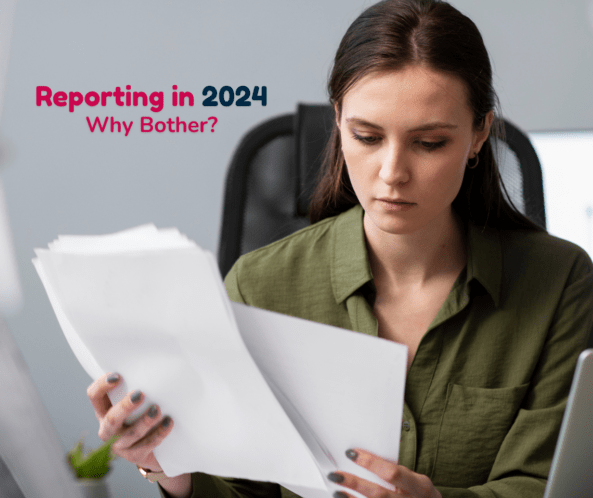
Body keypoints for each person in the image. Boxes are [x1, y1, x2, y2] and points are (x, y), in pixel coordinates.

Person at [87, 0, 593, 497]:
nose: (392, 172)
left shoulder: (562, 282)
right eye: (367, 136)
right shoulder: (258, 284)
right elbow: (241, 485)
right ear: (338, 121)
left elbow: (548, 483)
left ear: (479, 132)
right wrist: (169, 467)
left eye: (430, 143)